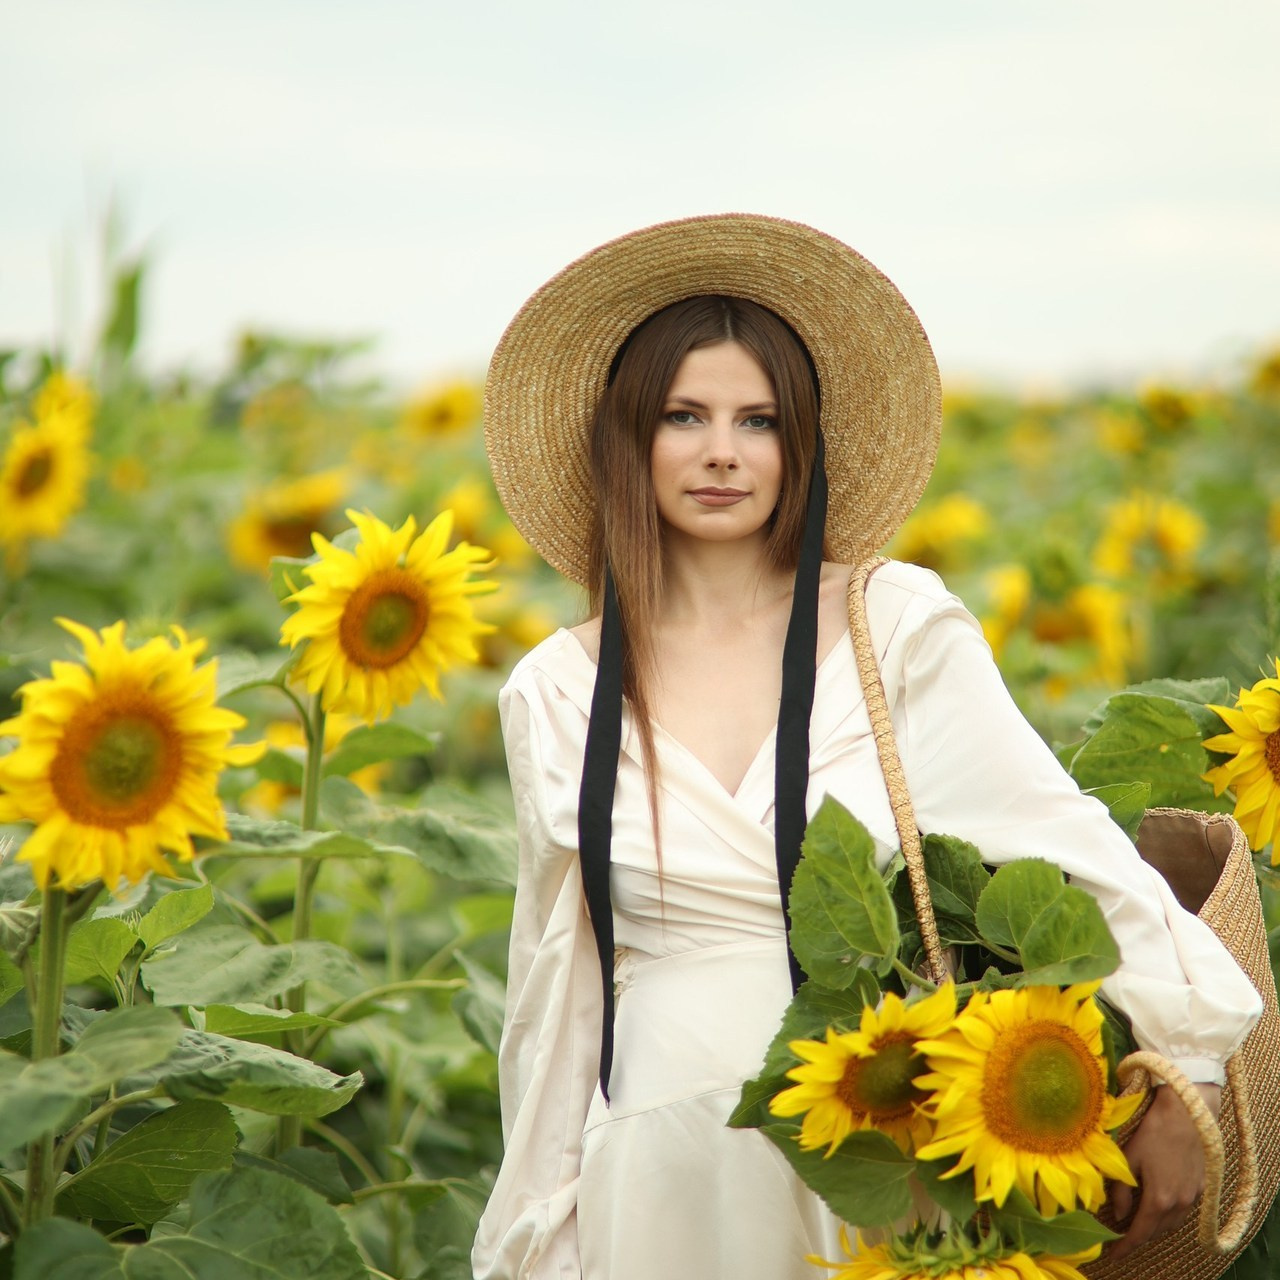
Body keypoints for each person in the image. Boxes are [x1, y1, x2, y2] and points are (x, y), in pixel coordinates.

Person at [471, 214, 1263, 1280]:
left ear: (800, 443)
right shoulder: (555, 689)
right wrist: (537, 1235)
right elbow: (557, 986)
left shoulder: (888, 626)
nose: (719, 451)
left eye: (756, 419)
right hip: (655, 1179)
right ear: (628, 438)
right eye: (681, 415)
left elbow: (1057, 836)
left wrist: (1191, 1054)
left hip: (872, 1147)